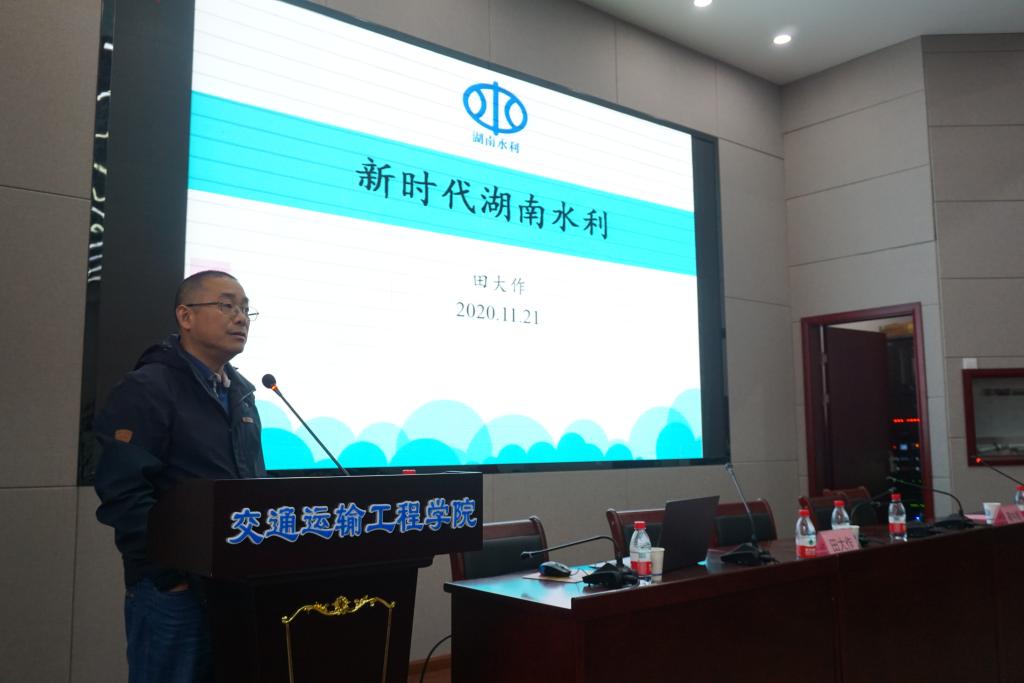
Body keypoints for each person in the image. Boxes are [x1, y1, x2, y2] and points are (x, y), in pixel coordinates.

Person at [94, 270, 266, 683]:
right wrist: (169, 577)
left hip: (234, 584)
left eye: (246, 309)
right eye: (226, 305)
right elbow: (123, 492)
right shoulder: (147, 388)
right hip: (174, 590)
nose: (240, 317)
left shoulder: (241, 395)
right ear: (185, 316)